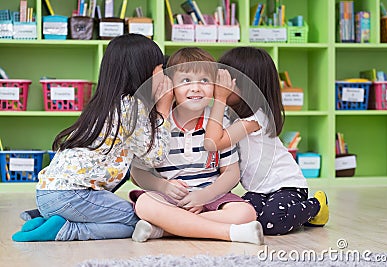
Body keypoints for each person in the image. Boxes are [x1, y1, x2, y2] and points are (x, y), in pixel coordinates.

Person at [12, 33, 174, 242]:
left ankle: (48, 220)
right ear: (144, 73)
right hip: (72, 196)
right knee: (138, 219)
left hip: (46, 193)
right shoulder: (132, 107)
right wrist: (164, 109)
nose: (165, 75)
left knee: (125, 216)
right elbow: (155, 157)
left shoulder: (104, 104)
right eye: (161, 68)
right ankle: (66, 230)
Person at [129, 47, 264, 245]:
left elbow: (231, 173)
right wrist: (163, 186)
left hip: (210, 196)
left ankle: (165, 229)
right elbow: (137, 174)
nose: (196, 88)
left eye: (204, 80)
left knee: (246, 212)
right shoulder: (158, 122)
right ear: (170, 86)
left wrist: (204, 195)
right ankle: (230, 233)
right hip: (166, 197)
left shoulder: (219, 122)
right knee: (145, 204)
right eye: (185, 81)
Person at [203, 46, 329, 235]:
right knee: (246, 216)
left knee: (271, 223)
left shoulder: (256, 118)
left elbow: (214, 141)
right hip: (258, 190)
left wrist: (219, 98)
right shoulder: (231, 114)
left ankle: (317, 205)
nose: (219, 87)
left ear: (248, 86)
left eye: (228, 82)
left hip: (287, 186)